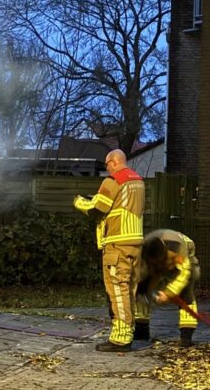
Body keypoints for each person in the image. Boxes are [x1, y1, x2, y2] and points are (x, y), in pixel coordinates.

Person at [74, 149, 145, 352]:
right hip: (135, 242)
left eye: (106, 165)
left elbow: (97, 209)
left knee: (117, 290)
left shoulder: (114, 180)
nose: (107, 169)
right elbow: (119, 205)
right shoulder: (138, 180)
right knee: (129, 289)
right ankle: (128, 332)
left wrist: (79, 202)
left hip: (117, 243)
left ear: (113, 162)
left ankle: (121, 339)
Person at [133, 228, 201, 348]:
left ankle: (186, 336)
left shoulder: (177, 249)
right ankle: (141, 330)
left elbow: (184, 274)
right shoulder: (144, 249)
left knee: (186, 294)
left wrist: (169, 293)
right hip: (158, 258)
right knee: (142, 289)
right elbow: (141, 273)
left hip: (185, 261)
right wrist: (144, 290)